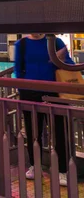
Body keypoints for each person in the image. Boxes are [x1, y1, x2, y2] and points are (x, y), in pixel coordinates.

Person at [14, 34, 71, 186]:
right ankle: (35, 166)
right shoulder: (22, 44)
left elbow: (69, 66)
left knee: (59, 131)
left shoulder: (55, 41)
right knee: (33, 132)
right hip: (30, 93)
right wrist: (23, 90)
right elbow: (18, 70)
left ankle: (62, 170)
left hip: (54, 92)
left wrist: (62, 58)